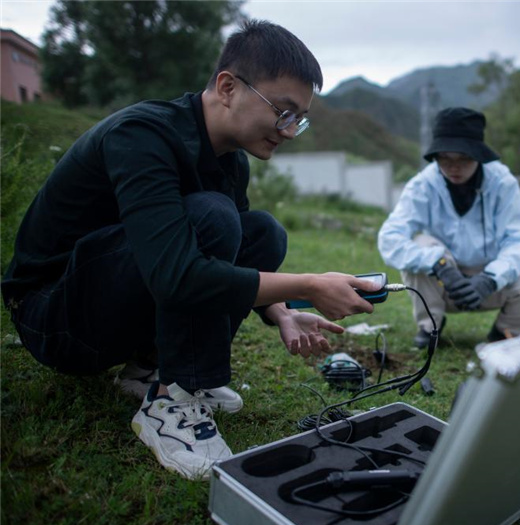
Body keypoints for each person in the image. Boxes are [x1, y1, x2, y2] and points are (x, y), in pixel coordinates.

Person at [1, 20, 381, 480]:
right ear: (227, 87)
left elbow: (235, 257)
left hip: (107, 300)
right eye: (282, 112)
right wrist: (310, 284)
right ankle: (170, 405)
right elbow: (177, 275)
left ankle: (151, 370)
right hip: (52, 318)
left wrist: (282, 312)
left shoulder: (230, 161)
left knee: (262, 233)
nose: (288, 131)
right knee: (213, 218)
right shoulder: (142, 135)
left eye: (297, 119)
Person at [378, 107, 520, 349]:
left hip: (492, 281)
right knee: (419, 246)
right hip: (444, 283)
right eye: (445, 158)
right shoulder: (422, 185)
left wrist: (490, 279)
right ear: (436, 156)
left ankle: (506, 334)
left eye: (464, 158)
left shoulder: (502, 182)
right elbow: (390, 238)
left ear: (478, 155)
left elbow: (518, 238)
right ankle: (430, 326)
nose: (454, 167)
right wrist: (439, 266)